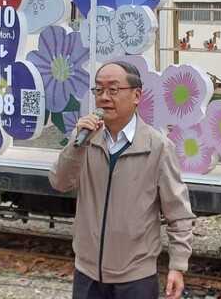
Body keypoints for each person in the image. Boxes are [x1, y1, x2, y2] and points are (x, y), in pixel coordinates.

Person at [49, 61, 195, 299]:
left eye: (113, 90)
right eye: (99, 90)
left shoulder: (157, 147)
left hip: (135, 277)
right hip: (87, 272)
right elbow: (59, 182)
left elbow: (178, 212)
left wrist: (177, 265)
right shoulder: (86, 140)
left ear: (136, 95)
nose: (104, 97)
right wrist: (78, 146)